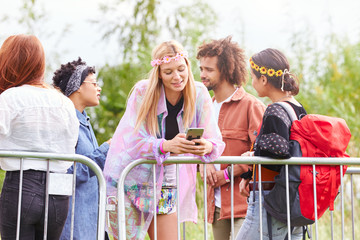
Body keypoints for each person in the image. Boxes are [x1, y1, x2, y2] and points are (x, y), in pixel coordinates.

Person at [103, 40, 225, 240]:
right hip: (131, 181)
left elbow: (215, 140)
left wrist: (206, 146)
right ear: (159, 73)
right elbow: (131, 140)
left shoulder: (200, 93)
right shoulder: (143, 91)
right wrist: (165, 145)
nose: (177, 77)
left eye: (181, 69)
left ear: (187, 66)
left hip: (166, 183)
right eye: (168, 72)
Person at [0, 34, 79, 239]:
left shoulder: (10, 98)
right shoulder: (63, 101)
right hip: (58, 190)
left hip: (21, 184)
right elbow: (72, 142)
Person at [196, 36, 265, 240]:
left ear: (225, 70)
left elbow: (261, 153)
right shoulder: (203, 108)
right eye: (201, 69)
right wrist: (204, 164)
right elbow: (196, 146)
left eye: (209, 70)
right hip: (217, 207)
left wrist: (226, 175)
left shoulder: (251, 106)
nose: (202, 75)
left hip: (245, 205)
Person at [236, 48, 307, 240]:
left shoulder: (275, 110)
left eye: (253, 77)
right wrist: (247, 174)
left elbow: (279, 153)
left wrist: (252, 157)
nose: (252, 82)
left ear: (264, 79)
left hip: (270, 201)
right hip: (292, 198)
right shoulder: (297, 107)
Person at [52, 58, 112, 240]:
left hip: (91, 222)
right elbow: (66, 171)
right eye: (94, 83)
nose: (98, 88)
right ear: (78, 86)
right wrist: (104, 152)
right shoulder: (64, 122)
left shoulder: (84, 121)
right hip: (74, 226)